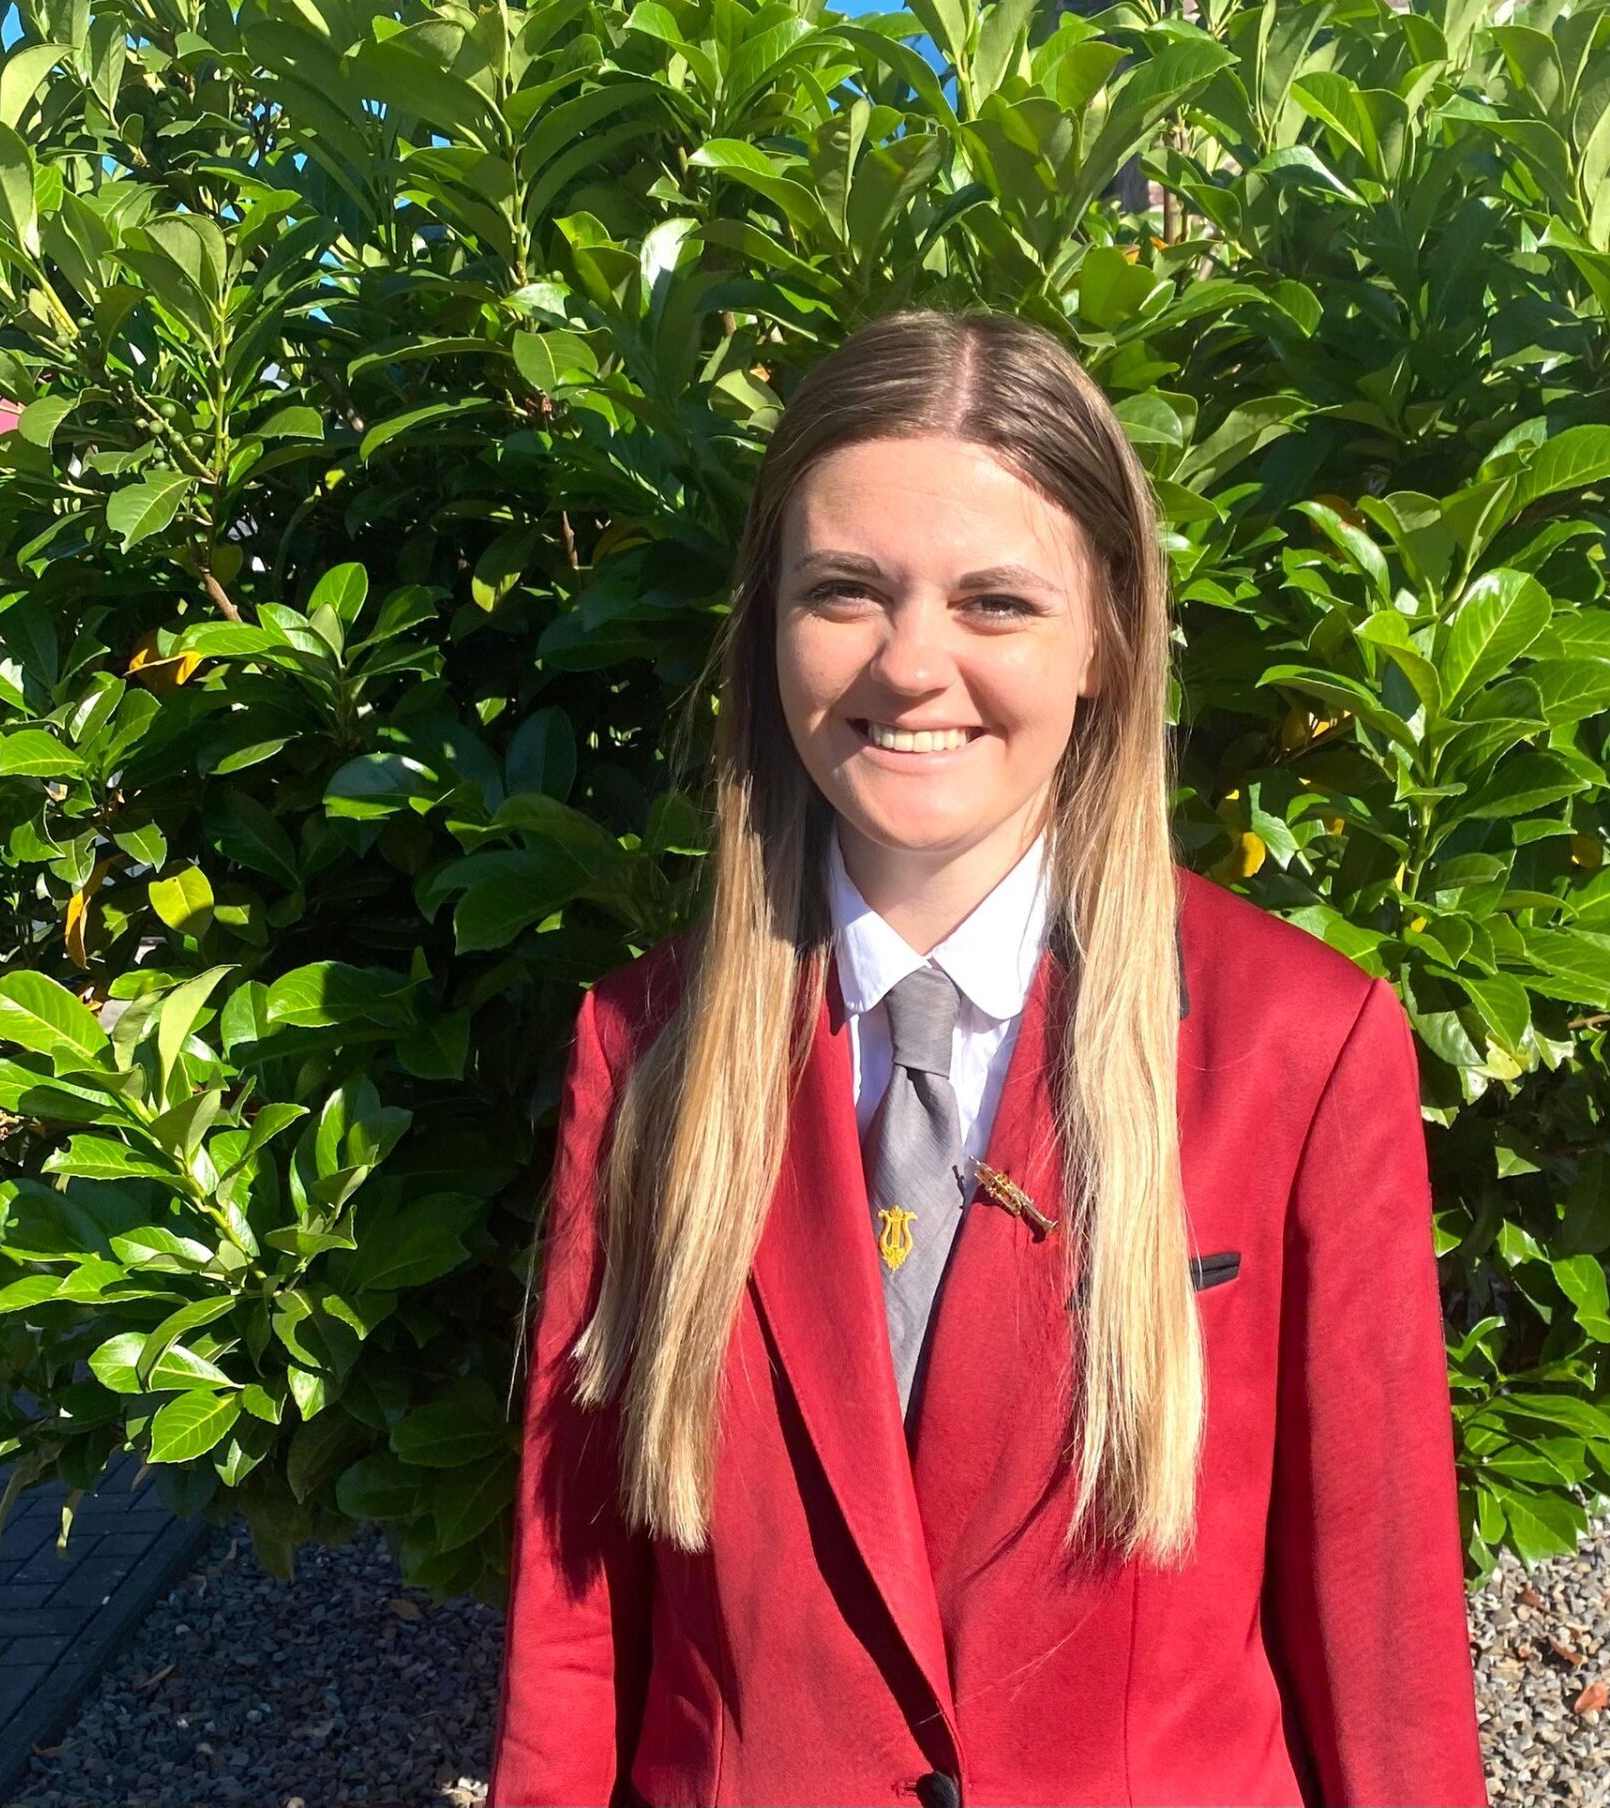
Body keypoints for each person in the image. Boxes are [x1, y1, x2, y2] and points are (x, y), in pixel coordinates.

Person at [487, 307, 1488, 1808]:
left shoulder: (1301, 1043)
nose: (911, 664)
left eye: (997, 601)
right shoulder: (643, 1047)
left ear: (1107, 639)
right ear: (769, 627)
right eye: (845, 590)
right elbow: (573, 1611)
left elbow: (1382, 1636)